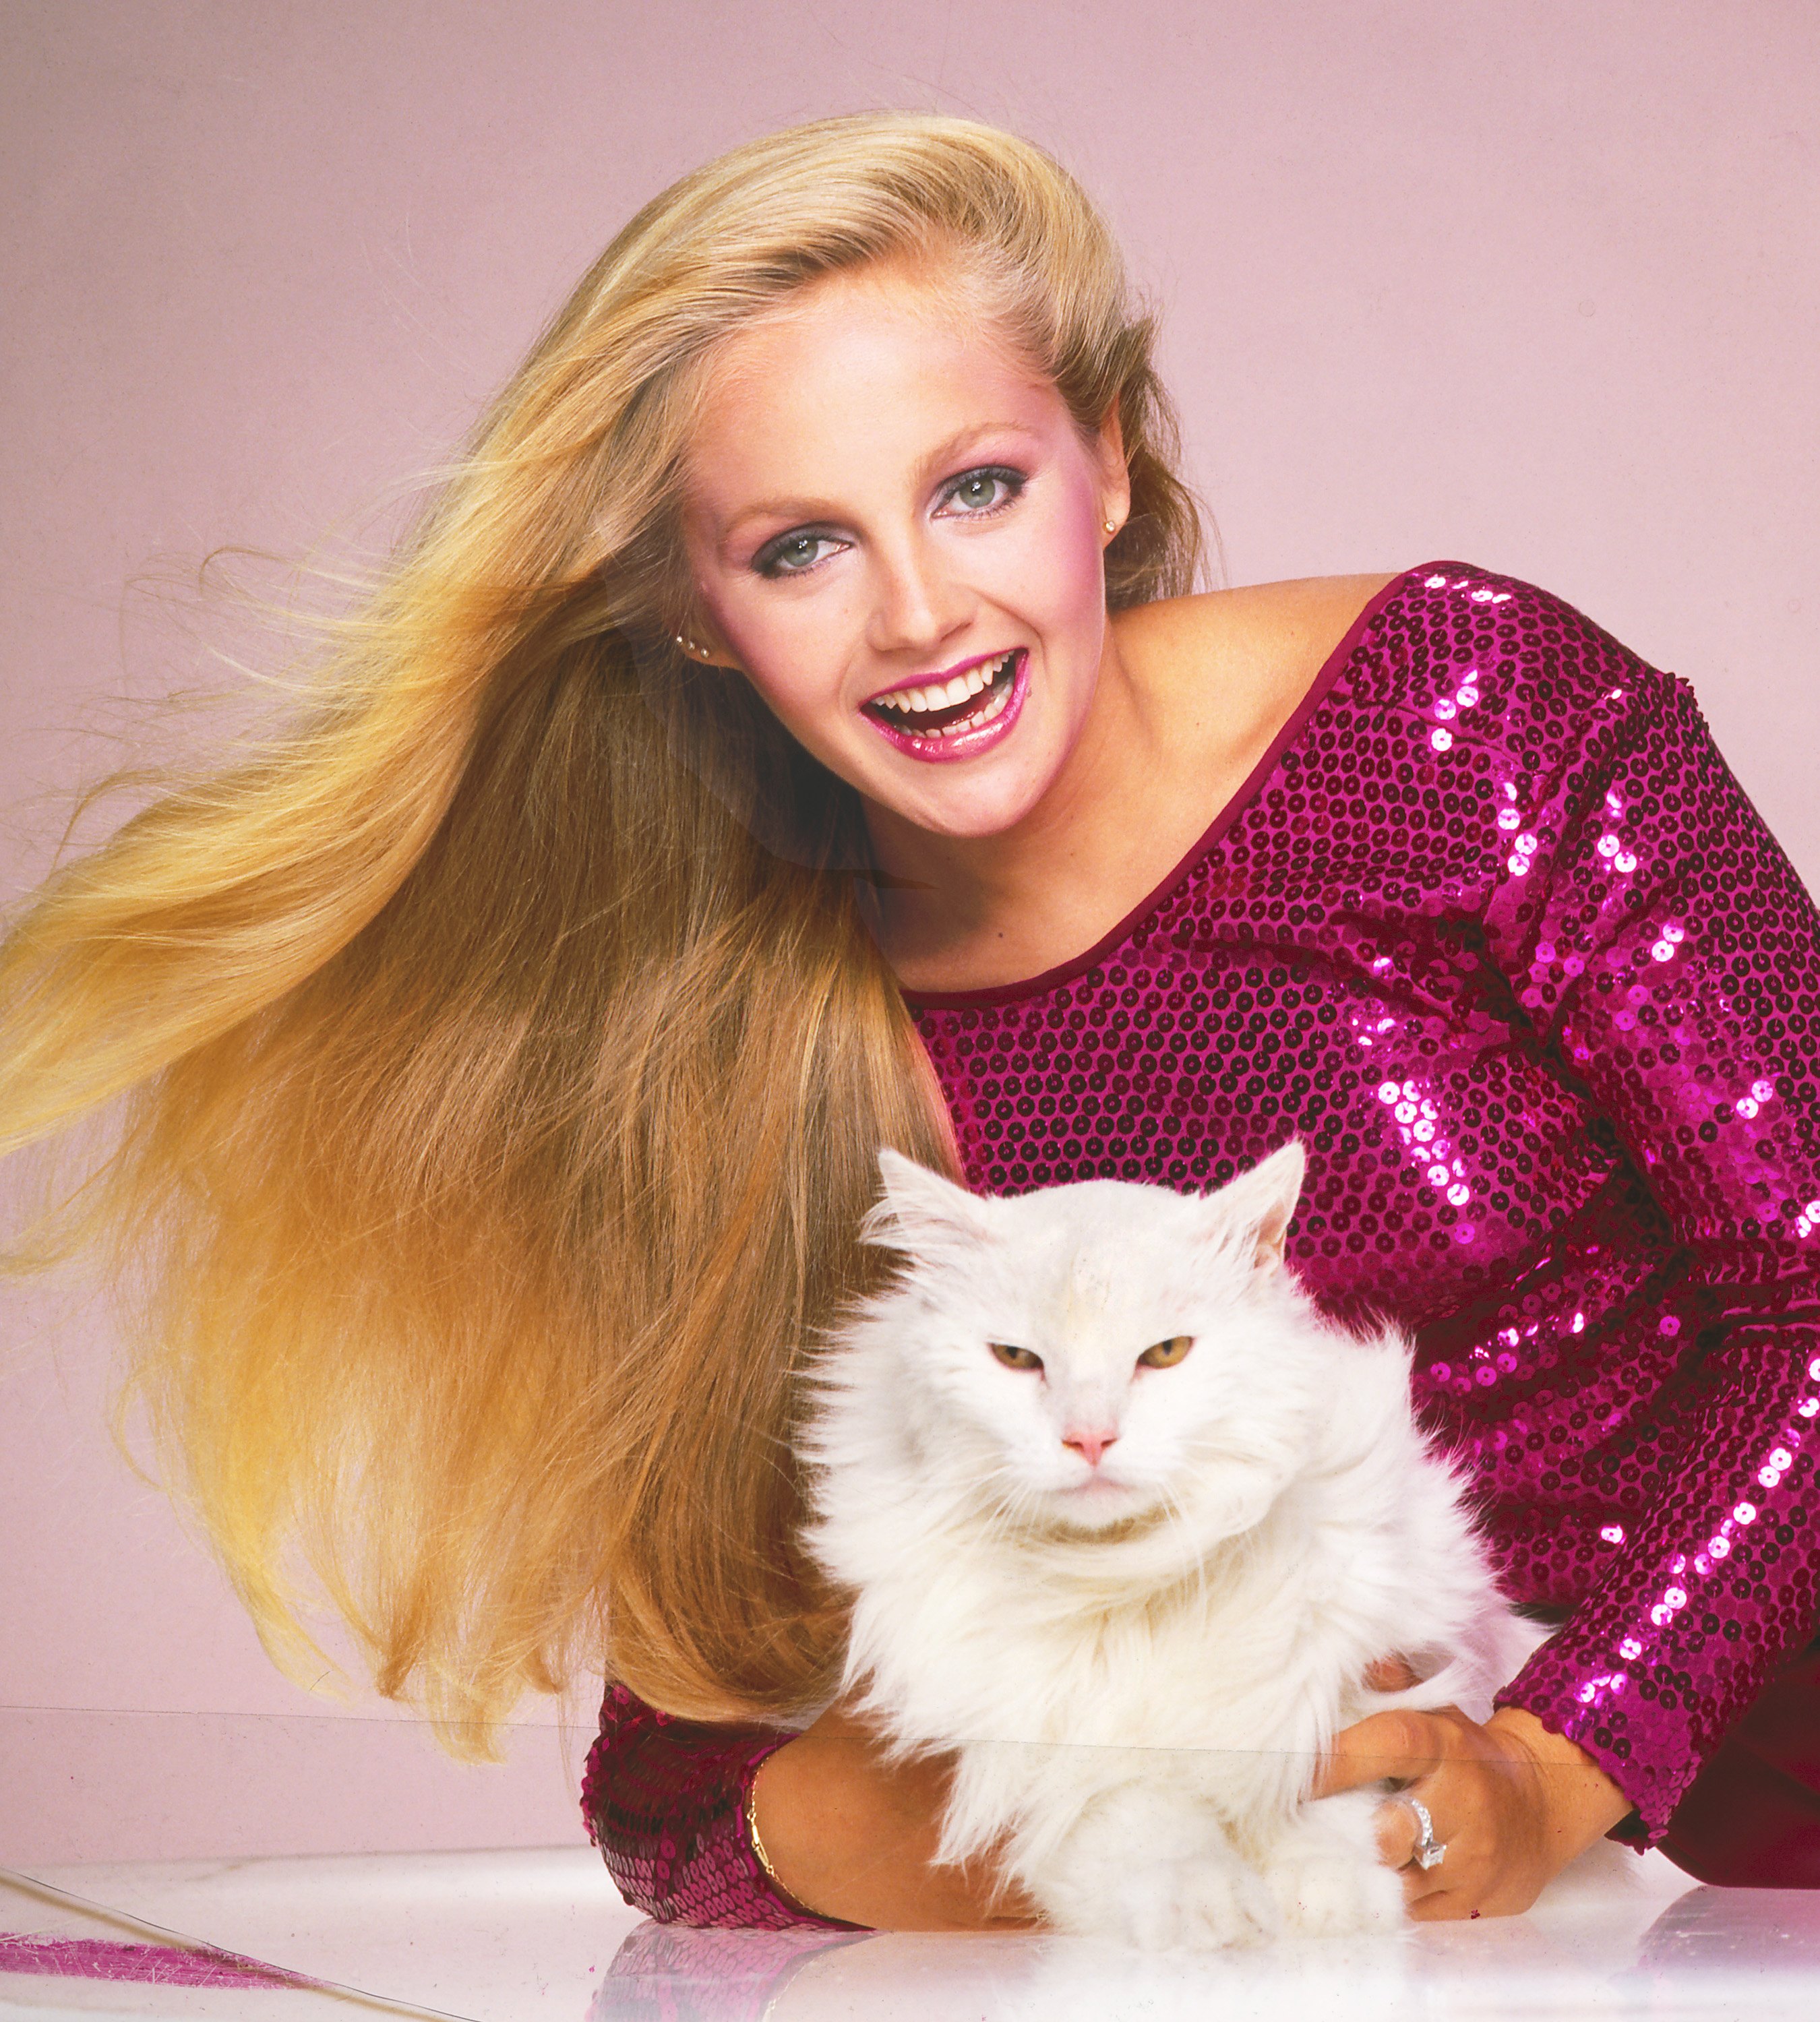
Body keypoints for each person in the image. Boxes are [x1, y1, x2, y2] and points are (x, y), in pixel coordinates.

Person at [3, 113, 1818, 1934]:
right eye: (800, 547)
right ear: (695, 614)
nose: (921, 614)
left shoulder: (1461, 713)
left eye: (975, 489)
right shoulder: (759, 1061)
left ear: (1103, 465)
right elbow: (687, 1810)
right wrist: (1166, 1821)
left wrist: (1552, 1761)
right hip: (1629, 1950)